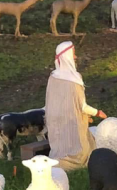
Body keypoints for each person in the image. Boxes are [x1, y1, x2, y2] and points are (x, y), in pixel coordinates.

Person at [44, 41, 105, 171]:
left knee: (60, 148)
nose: (76, 57)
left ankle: (56, 163)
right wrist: (98, 112)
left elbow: (51, 103)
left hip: (55, 123)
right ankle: (72, 165)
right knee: (79, 150)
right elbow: (82, 106)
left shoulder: (53, 76)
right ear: (67, 56)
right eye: (73, 54)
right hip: (71, 122)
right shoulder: (74, 79)